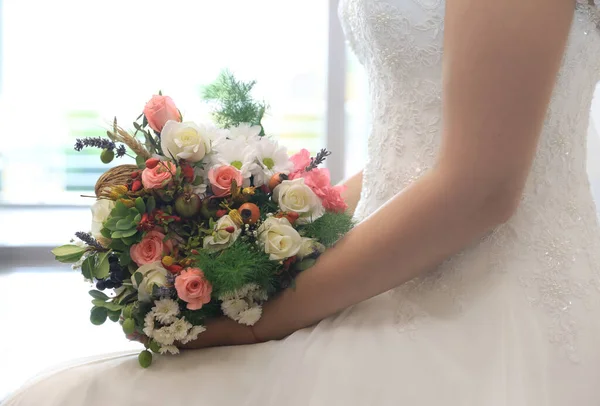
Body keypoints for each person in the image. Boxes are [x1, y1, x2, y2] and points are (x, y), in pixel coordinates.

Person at [6, 0, 600, 404]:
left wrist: (260, 323)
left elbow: (480, 188)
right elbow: (416, 152)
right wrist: (282, 236)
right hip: (394, 269)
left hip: (486, 307)